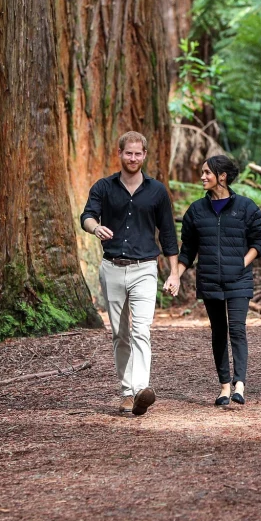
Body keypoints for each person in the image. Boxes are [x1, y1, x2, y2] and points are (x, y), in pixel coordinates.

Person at [80, 131, 178, 416]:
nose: (133, 158)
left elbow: (169, 234)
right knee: (120, 334)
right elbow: (87, 216)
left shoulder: (157, 191)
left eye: (138, 153)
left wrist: (174, 274)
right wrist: (95, 227)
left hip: (145, 269)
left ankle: (140, 390)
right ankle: (125, 391)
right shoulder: (104, 187)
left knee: (141, 331)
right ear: (120, 154)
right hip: (112, 268)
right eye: (128, 153)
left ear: (144, 156)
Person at [163, 155, 261, 406]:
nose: (203, 177)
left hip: (239, 280)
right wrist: (175, 274)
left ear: (222, 176)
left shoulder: (246, 208)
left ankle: (239, 384)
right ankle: (223, 387)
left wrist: (239, 264)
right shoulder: (196, 211)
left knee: (237, 329)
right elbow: (187, 250)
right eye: (202, 172)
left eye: (207, 172)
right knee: (218, 332)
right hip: (209, 280)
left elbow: (259, 243)